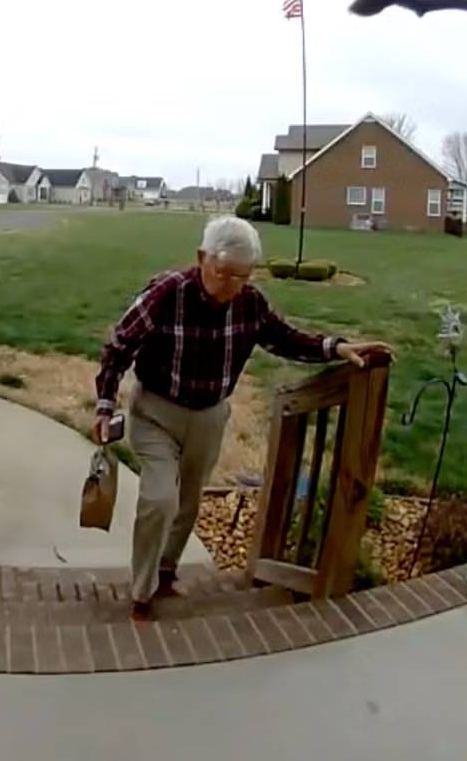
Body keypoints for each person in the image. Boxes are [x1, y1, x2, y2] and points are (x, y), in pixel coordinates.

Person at [93, 216, 393, 621]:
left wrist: (336, 348)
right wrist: (105, 405)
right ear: (202, 258)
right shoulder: (166, 294)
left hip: (209, 415)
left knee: (189, 498)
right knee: (159, 498)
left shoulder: (250, 302)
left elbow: (286, 338)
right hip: (156, 412)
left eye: (243, 276)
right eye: (224, 274)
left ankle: (166, 570)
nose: (232, 286)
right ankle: (142, 592)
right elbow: (119, 346)